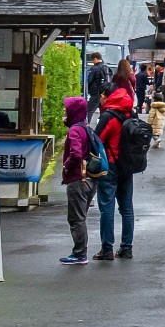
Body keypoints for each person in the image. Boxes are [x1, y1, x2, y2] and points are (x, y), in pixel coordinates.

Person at [94, 82, 138, 259]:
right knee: (127, 208)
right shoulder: (131, 113)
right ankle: (126, 247)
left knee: (107, 207)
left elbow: (96, 141)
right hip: (128, 165)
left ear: (106, 95)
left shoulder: (109, 116)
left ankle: (107, 249)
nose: (100, 100)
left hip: (110, 166)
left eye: (101, 96)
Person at [58, 95, 97, 265]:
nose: (65, 112)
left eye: (67, 109)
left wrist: (66, 165)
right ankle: (80, 252)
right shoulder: (86, 127)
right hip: (90, 178)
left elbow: (76, 153)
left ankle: (80, 253)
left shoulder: (74, 130)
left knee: (76, 218)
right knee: (81, 216)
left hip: (77, 179)